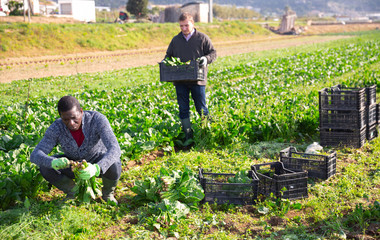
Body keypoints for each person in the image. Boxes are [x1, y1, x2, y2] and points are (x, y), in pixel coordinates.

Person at [30, 95, 122, 204]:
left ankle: (108, 194)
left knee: (114, 162)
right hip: (73, 165)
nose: (71, 123)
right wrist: (53, 162)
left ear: (81, 112)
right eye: (66, 119)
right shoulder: (56, 128)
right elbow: (35, 154)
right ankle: (73, 192)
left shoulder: (97, 120)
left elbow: (115, 148)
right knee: (45, 167)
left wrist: (97, 168)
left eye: (74, 118)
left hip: (97, 160)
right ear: (60, 117)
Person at [164, 12, 217, 141]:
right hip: (180, 80)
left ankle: (208, 133)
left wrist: (206, 58)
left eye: (186, 25)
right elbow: (168, 56)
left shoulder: (202, 38)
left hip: (197, 79)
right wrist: (165, 63)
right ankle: (188, 136)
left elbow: (213, 53)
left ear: (192, 23)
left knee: (201, 107)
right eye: (181, 26)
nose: (183, 28)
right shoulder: (176, 40)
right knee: (183, 109)